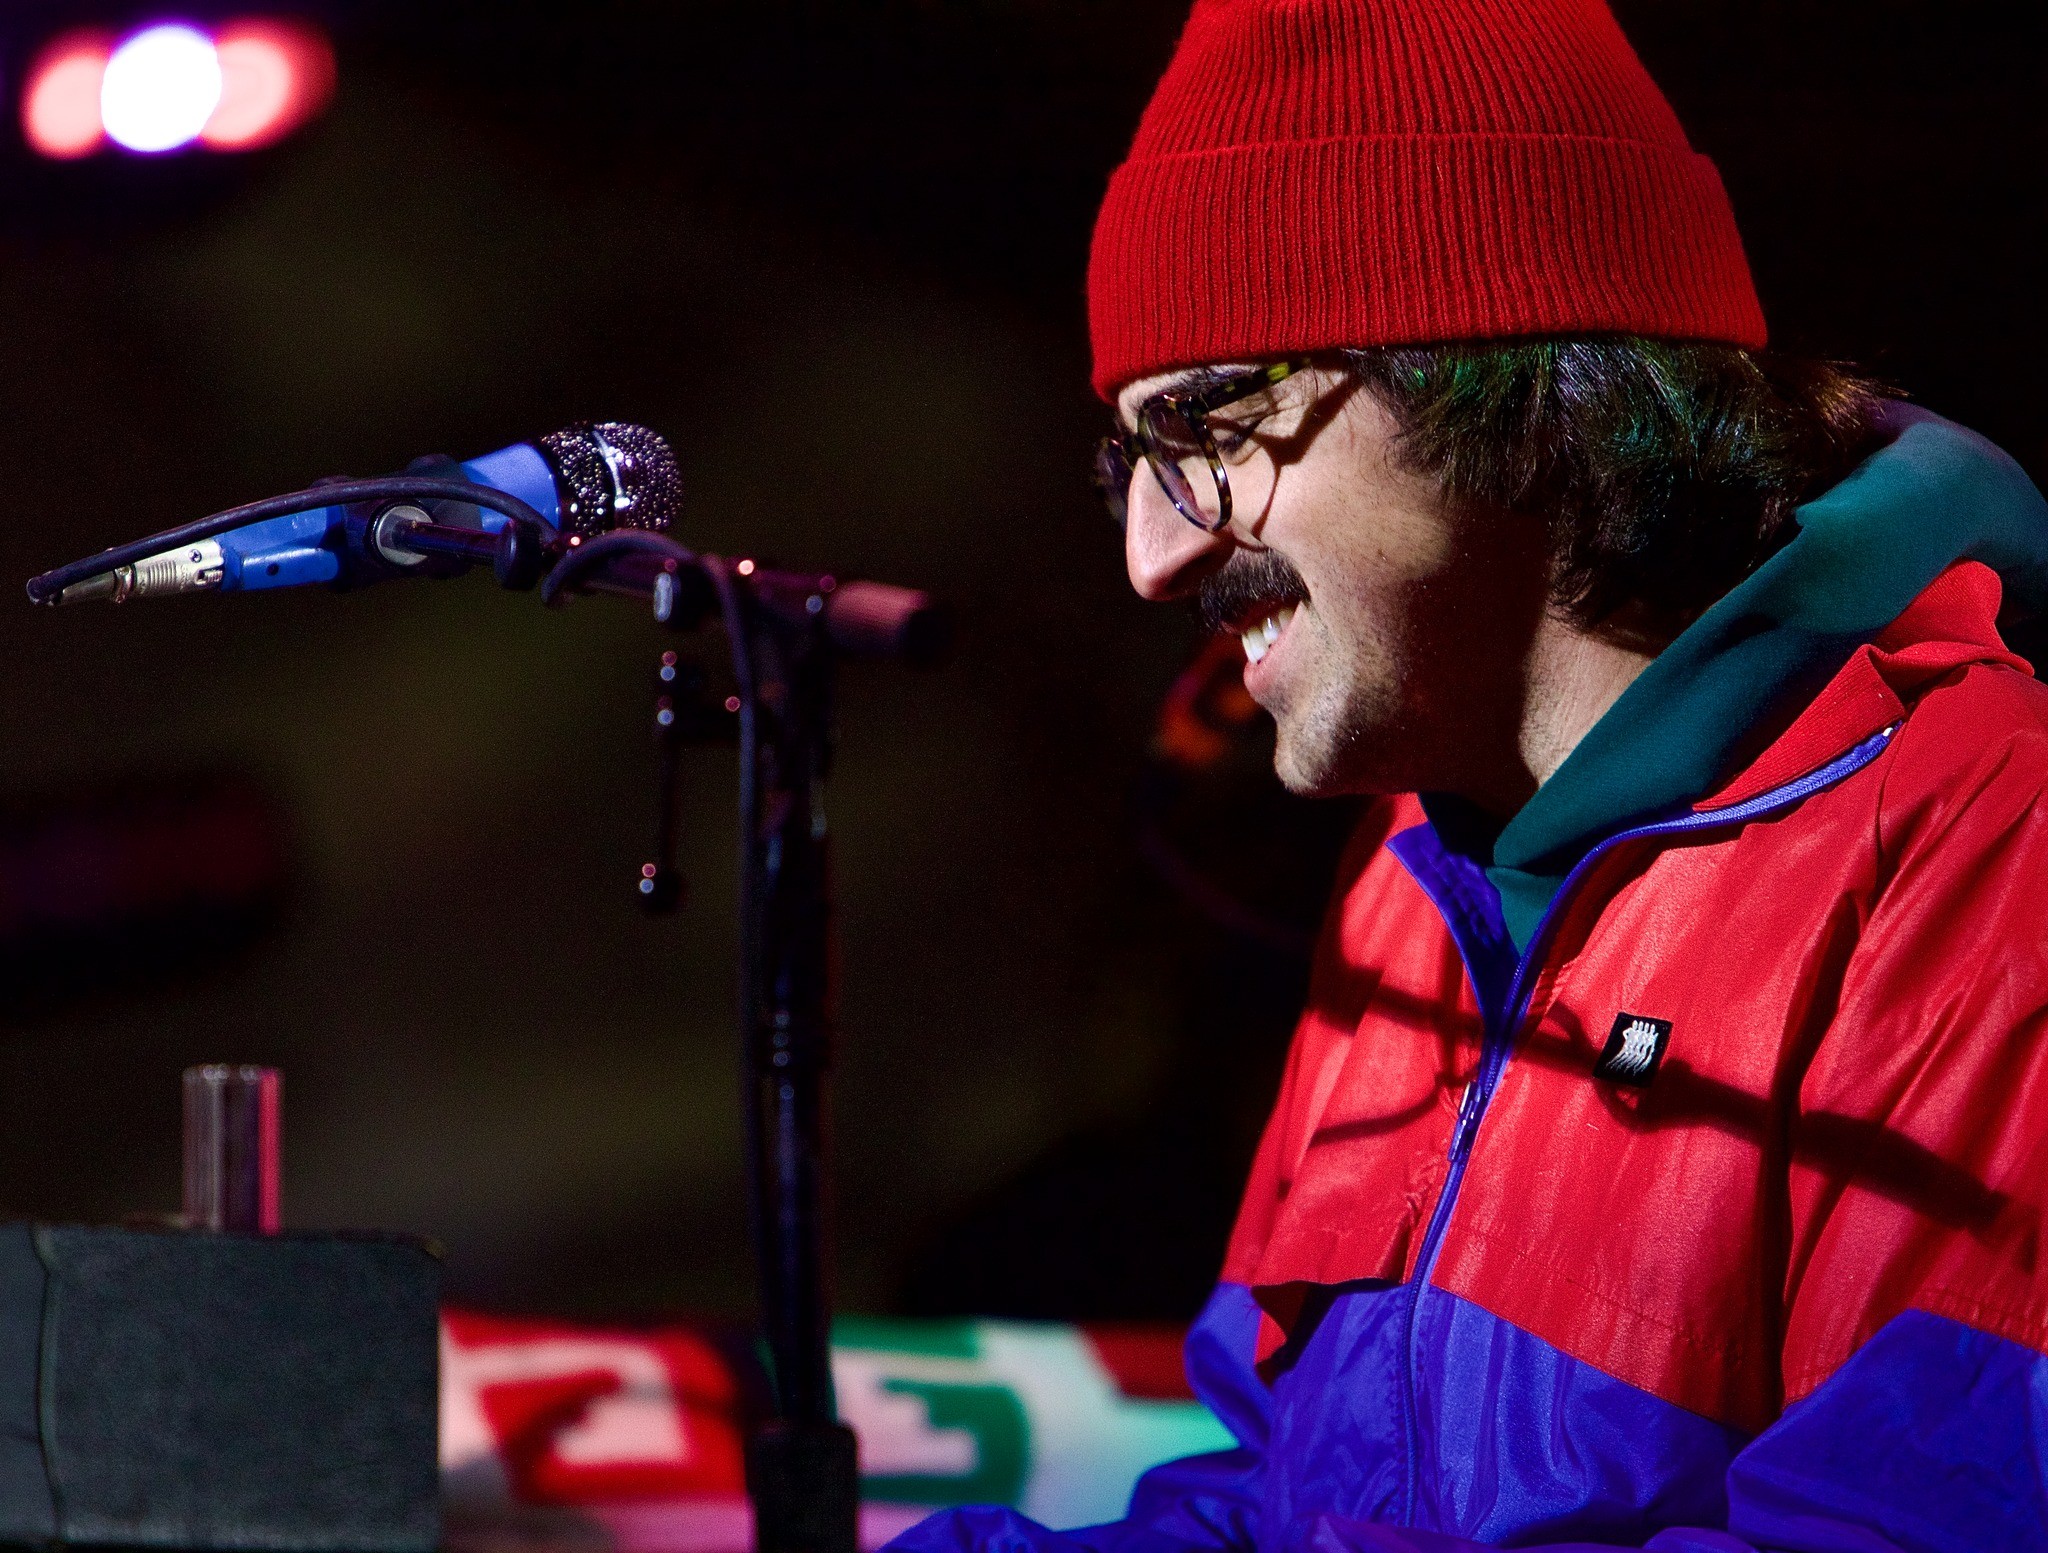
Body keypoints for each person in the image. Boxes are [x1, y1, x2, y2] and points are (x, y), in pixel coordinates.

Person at [890, 0, 2048, 1549]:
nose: (1153, 555)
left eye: (1204, 430)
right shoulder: (1410, 881)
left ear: (1480, 375)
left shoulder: (1984, 846)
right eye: (1128, 461)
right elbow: (1286, 1509)